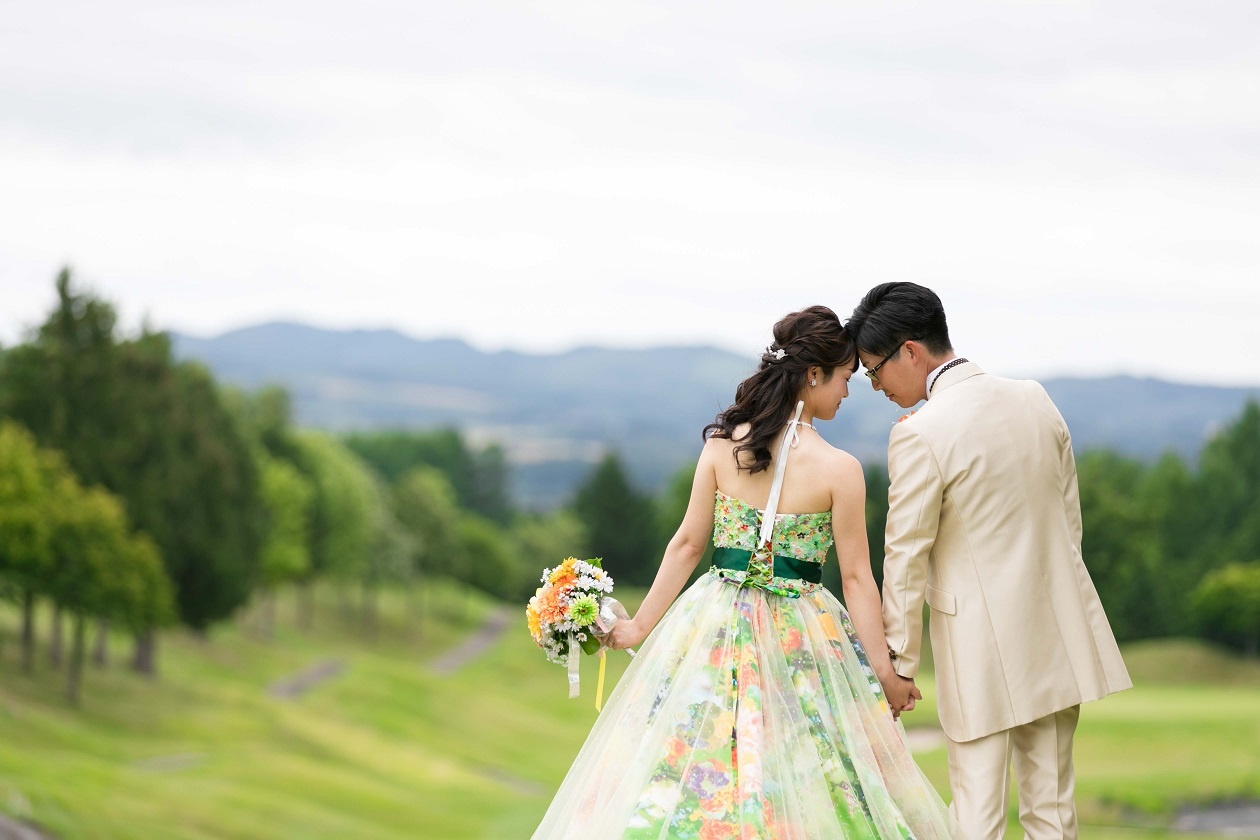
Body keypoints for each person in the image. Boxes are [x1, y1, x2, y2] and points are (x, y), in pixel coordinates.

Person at [532, 305, 956, 839]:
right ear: (813, 374)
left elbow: (687, 546)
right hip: (803, 632)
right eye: (845, 378)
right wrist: (882, 674)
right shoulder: (840, 469)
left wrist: (638, 626)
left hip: (714, 617)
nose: (848, 392)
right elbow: (855, 580)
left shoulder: (722, 448)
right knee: (808, 762)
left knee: (695, 753)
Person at [845, 283, 1132, 840]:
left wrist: (899, 663)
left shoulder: (920, 434)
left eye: (874, 371)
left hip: (977, 647)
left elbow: (905, 557)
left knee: (977, 818)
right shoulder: (1035, 398)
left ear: (910, 351)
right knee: (1053, 813)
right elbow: (1068, 521)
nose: (875, 386)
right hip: (1055, 630)